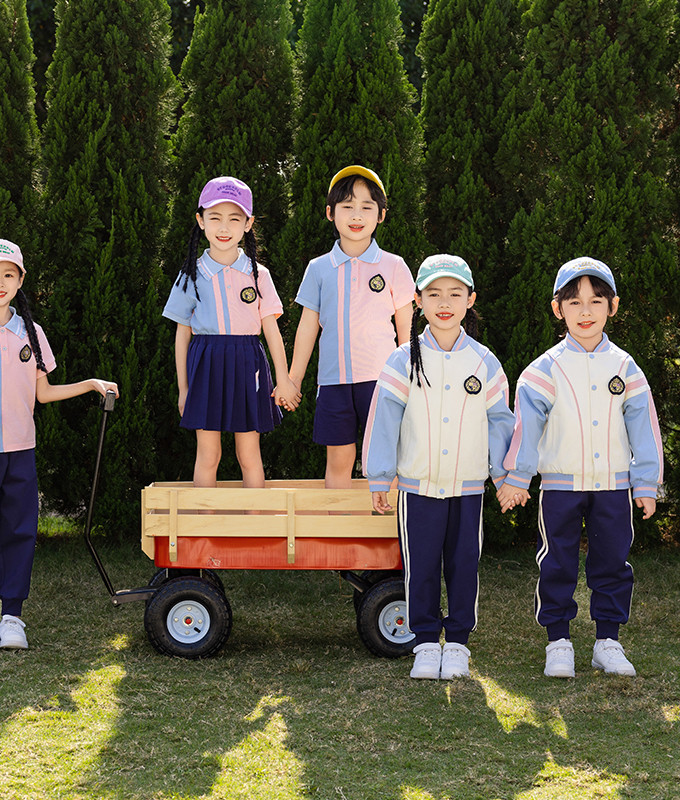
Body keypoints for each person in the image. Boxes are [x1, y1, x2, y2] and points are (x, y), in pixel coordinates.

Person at [0, 238, 119, 650]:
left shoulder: (31, 333)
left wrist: (90, 383)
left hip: (21, 451)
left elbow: (44, 393)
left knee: (20, 530)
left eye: (8, 274)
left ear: (20, 281)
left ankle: (13, 617)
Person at [499, 257, 663, 678]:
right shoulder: (543, 370)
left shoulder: (625, 367)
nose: (585, 311)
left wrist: (646, 483)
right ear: (558, 309)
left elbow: (644, 428)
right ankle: (558, 642)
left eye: (595, 301)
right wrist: (518, 477)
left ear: (613, 306)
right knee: (557, 564)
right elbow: (526, 430)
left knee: (612, 563)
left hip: (613, 487)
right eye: (574, 302)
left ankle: (608, 641)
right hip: (559, 487)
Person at [364, 255, 515, 680]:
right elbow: (383, 421)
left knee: (464, 566)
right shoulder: (402, 360)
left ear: (470, 300)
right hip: (418, 489)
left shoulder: (484, 362)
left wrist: (504, 476)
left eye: (454, 294)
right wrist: (380, 476)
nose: (444, 303)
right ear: (418, 301)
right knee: (422, 567)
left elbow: (501, 422)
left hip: (467, 488)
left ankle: (459, 644)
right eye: (433, 294)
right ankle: (427, 643)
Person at [163, 176, 299, 488]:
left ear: (248, 224)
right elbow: (182, 334)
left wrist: (283, 380)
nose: (224, 227)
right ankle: (205, 520)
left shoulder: (259, 275)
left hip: (247, 362)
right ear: (201, 221)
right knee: (208, 454)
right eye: (215, 218)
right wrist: (184, 389)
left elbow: (272, 331)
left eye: (234, 219)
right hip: (206, 363)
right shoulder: (190, 274)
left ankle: (256, 520)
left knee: (248, 454)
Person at [289, 165, 415, 488]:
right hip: (333, 382)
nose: (356, 215)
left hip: (383, 381)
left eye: (366, 207)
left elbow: (406, 327)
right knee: (339, 461)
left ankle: (393, 522)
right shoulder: (318, 268)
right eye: (347, 206)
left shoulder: (394, 265)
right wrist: (293, 380)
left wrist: (410, 378)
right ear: (330, 213)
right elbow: (307, 328)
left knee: (386, 461)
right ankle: (336, 521)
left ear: (381, 215)